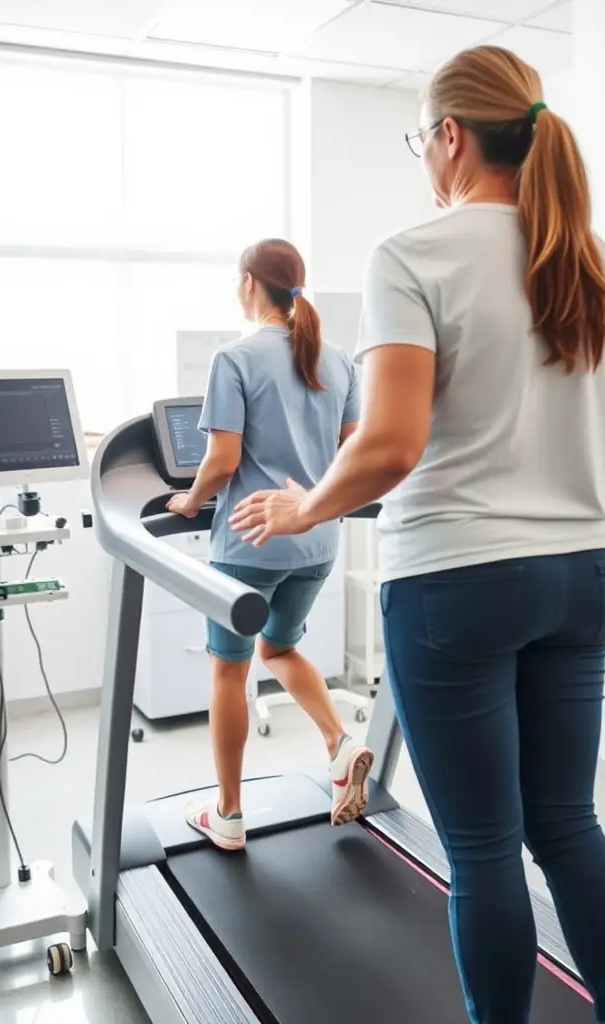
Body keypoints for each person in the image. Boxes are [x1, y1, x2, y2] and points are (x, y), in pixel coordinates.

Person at [230, 45, 605, 1024]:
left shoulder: (412, 255)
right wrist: (551, 484)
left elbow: (392, 444)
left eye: (419, 141)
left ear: (449, 136)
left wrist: (305, 504)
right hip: (583, 575)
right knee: (568, 826)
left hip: (456, 585)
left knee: (483, 845)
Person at [167, 238, 373, 852]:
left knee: (229, 671)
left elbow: (222, 460)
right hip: (316, 542)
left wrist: (188, 501)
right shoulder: (338, 359)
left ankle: (227, 813)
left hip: (250, 543)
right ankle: (340, 745)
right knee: (279, 648)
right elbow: (351, 451)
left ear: (250, 283)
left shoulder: (234, 357)